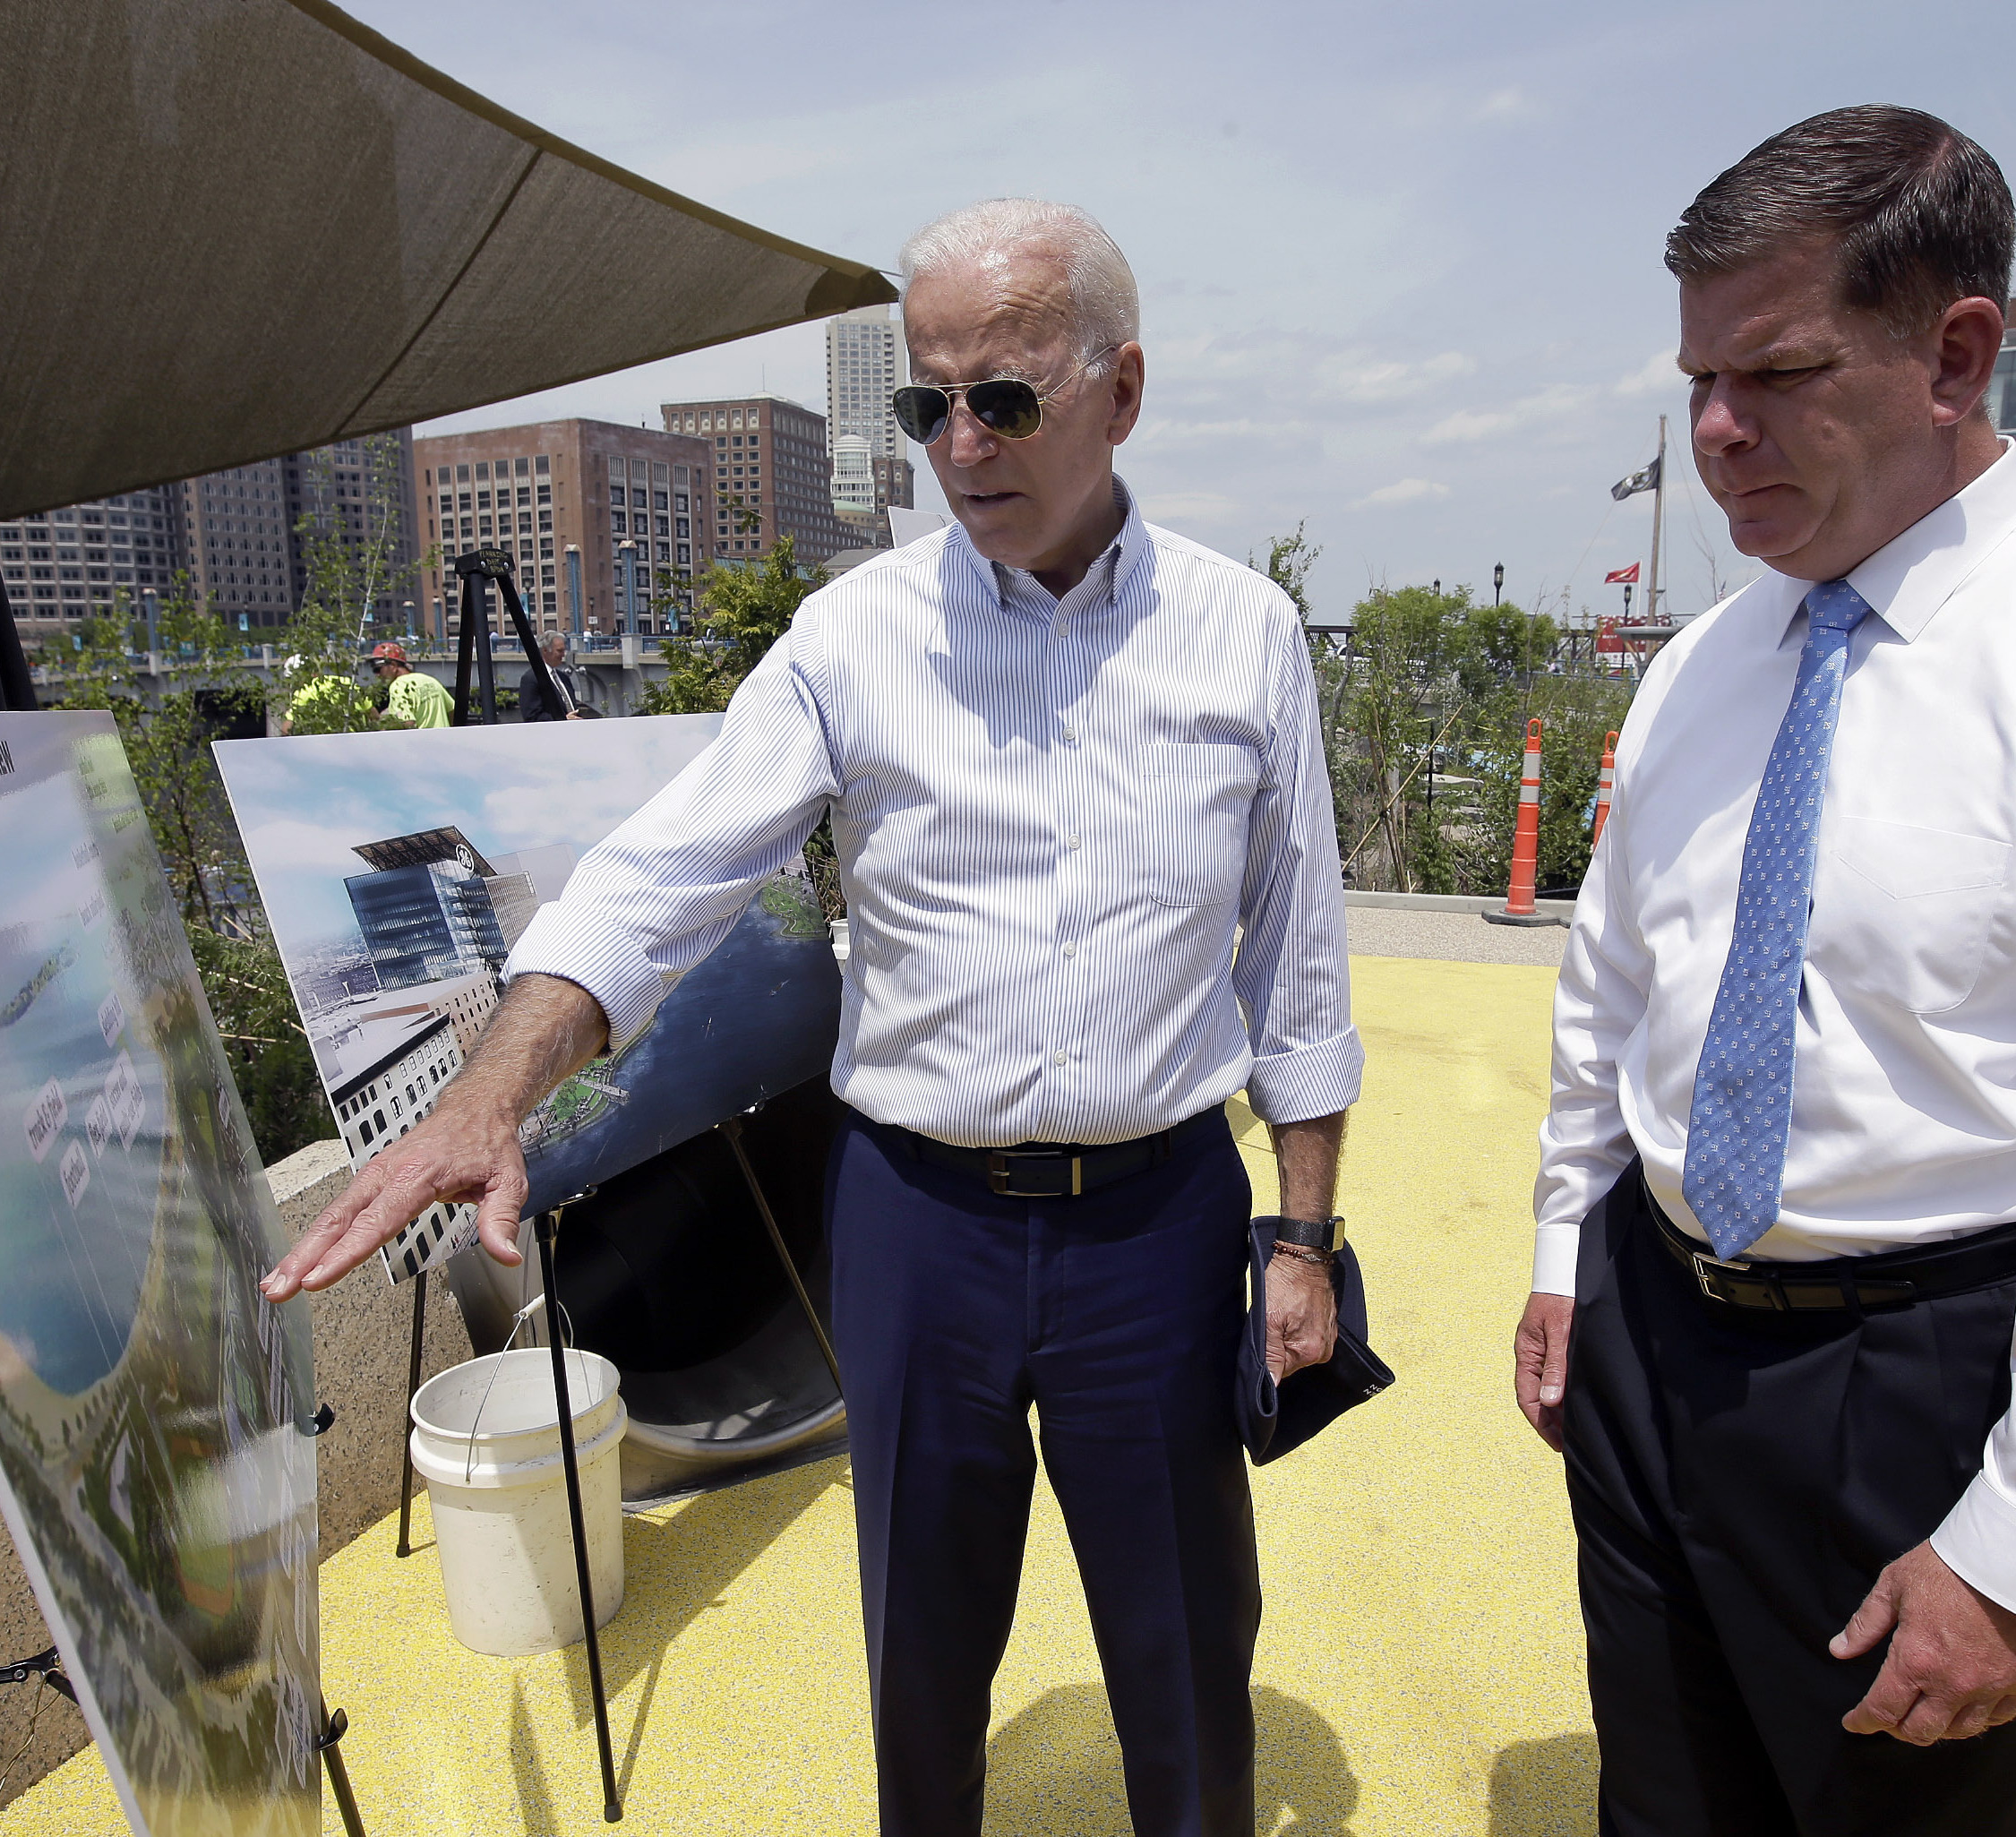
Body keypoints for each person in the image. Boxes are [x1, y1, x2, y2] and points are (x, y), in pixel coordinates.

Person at [263, 198, 1361, 1837]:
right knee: (920, 1647)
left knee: (1190, 1639)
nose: (961, 443)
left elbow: (1299, 967)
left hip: (1160, 1222)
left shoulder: (1243, 637)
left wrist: (1301, 1237)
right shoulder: (854, 638)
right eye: (929, 405)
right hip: (918, 1226)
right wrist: (494, 1089)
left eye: (1006, 398)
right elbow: (658, 879)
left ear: (1122, 391)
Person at [1512, 106, 2016, 1836]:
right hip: (1656, 1351)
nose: (1719, 434)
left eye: (1779, 372)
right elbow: (1615, 987)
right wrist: (1566, 1256)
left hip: (1926, 1394)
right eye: (1696, 382)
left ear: (1956, 351)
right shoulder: (1704, 671)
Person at [372, 640, 453, 727]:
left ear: (393, 666)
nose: (377, 675)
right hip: (444, 740)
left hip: (421, 741)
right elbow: (453, 710)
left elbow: (407, 723)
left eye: (378, 669)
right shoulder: (429, 680)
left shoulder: (398, 687)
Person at [518, 627, 591, 721]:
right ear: (545, 651)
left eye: (564, 651)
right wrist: (563, 719)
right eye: (559, 651)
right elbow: (531, 717)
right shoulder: (531, 679)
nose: (563, 655)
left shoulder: (564, 678)